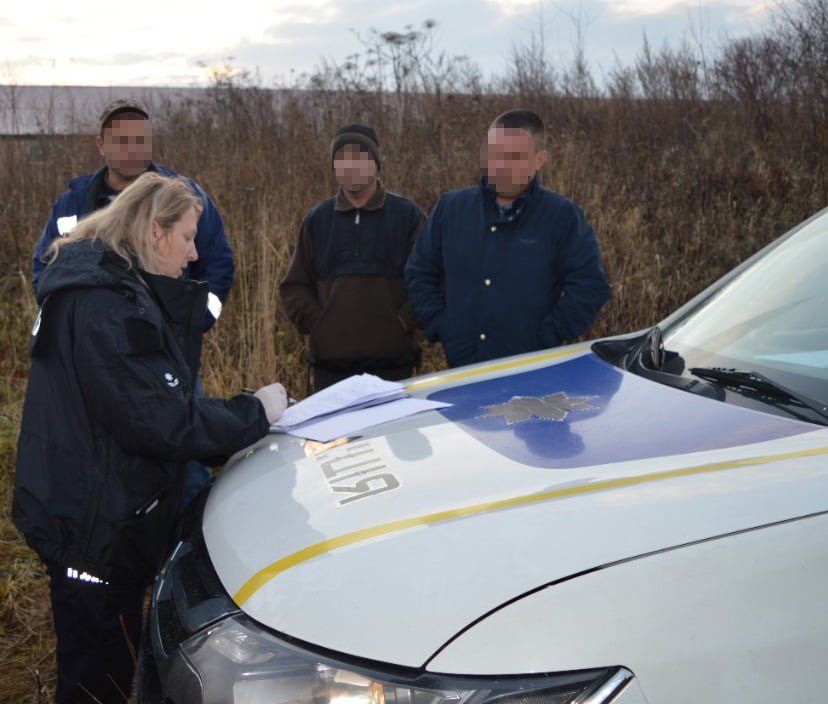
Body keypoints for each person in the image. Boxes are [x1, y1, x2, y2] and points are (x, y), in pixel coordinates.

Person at [13, 173, 287, 704]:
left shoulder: (103, 289)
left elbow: (147, 403)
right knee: (101, 678)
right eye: (186, 238)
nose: (191, 255)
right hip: (92, 530)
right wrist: (256, 412)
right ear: (154, 233)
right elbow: (158, 419)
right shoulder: (105, 305)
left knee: (109, 658)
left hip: (91, 515)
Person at [31, 97, 235, 504]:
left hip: (168, 352)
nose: (133, 149)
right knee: (104, 448)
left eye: (141, 139)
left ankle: (185, 538)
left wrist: (193, 321)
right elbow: (45, 271)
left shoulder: (181, 196)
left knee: (182, 444)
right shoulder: (73, 204)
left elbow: (217, 265)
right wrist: (78, 324)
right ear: (100, 145)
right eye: (121, 140)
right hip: (99, 357)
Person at [405, 109, 611, 368]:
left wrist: (544, 339)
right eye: (495, 156)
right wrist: (443, 327)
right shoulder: (451, 209)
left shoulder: (562, 216)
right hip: (462, 370)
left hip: (530, 373)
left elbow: (590, 288)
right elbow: (419, 273)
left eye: (514, 157)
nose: (501, 166)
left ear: (539, 159)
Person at [280, 123, 425, 390]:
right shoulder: (318, 220)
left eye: (360, 157)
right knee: (332, 435)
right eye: (343, 159)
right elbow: (295, 286)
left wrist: (401, 322)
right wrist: (319, 325)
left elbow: (428, 280)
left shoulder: (407, 217)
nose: (351, 166)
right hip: (331, 372)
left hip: (393, 368)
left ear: (376, 163)